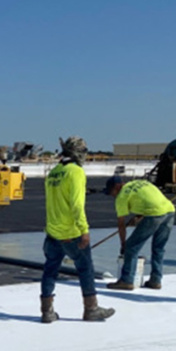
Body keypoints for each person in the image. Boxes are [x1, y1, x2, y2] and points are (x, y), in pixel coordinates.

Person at [40, 136, 115, 323]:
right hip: (71, 232)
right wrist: (84, 230)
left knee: (50, 271)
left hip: (52, 232)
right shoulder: (76, 172)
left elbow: (50, 203)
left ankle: (47, 312)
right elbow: (76, 204)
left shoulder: (54, 172)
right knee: (85, 269)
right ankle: (91, 309)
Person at [103, 177, 175, 290]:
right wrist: (139, 216)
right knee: (158, 248)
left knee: (132, 247)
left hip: (154, 215)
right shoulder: (140, 182)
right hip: (169, 211)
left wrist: (123, 245)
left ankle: (126, 280)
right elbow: (147, 199)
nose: (113, 196)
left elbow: (121, 225)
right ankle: (155, 280)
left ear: (117, 187)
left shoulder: (121, 196)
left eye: (112, 192)